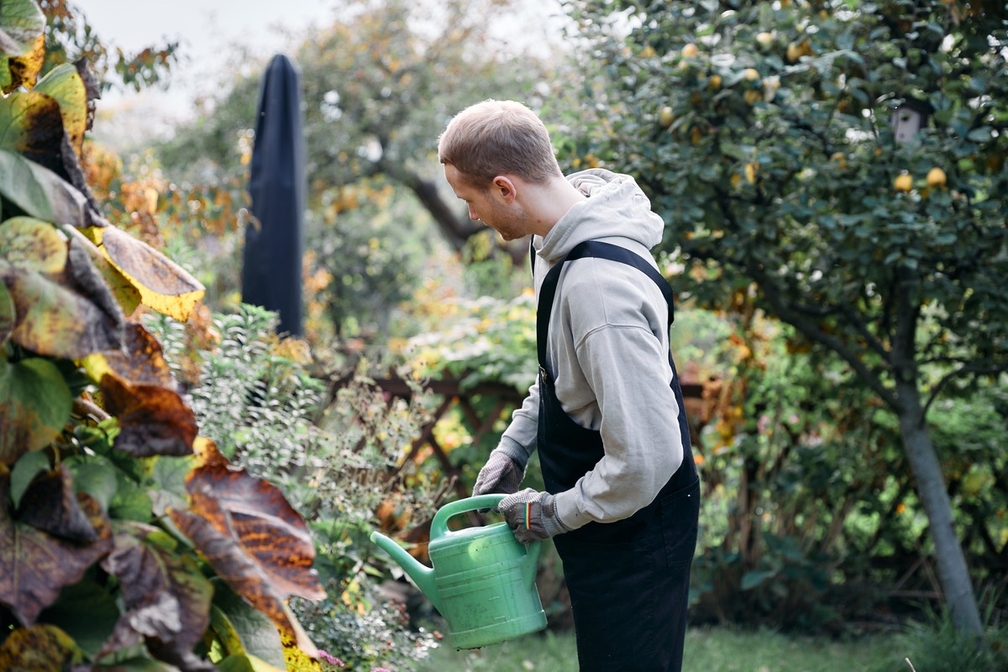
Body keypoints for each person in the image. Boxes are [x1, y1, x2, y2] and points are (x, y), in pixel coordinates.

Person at [437, 99, 700, 672]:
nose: (473, 215)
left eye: (470, 199)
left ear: (505, 188)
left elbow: (646, 459)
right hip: (606, 515)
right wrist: (513, 447)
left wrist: (552, 512)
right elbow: (558, 371)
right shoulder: (551, 242)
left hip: (639, 521)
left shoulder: (599, 290)